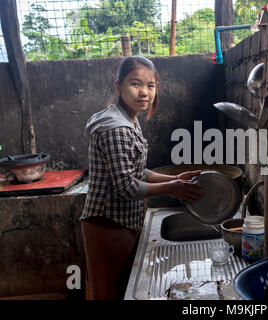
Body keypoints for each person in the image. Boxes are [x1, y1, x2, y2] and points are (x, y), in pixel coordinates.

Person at [80, 56, 204, 300]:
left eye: (150, 85)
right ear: (118, 87)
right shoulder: (116, 128)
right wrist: (172, 188)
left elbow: (137, 171)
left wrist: (174, 178)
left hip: (123, 222)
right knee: (109, 294)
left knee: (123, 290)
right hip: (107, 225)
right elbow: (126, 186)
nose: (144, 92)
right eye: (135, 84)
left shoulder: (129, 120)